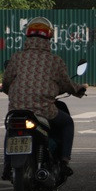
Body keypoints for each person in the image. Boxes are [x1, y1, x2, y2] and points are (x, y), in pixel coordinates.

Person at [2, 17, 88, 180]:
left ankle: (7, 165)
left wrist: (13, 94)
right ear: (49, 38)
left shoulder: (16, 58)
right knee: (67, 123)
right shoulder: (55, 61)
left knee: (11, 128)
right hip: (44, 110)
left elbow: (6, 83)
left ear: (27, 36)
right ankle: (63, 163)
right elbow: (66, 83)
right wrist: (79, 89)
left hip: (16, 110)